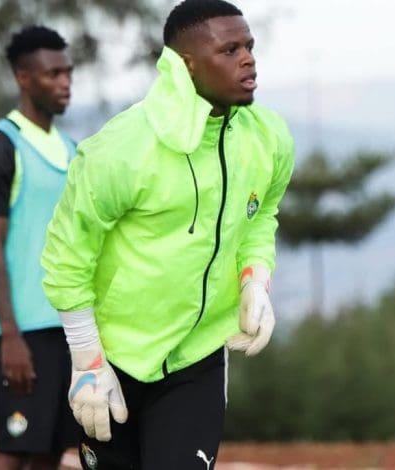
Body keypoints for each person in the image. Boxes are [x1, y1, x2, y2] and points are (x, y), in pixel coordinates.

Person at [40, 0, 295, 468]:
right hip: (112, 358)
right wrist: (87, 359)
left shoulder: (270, 137)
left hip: (196, 358)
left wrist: (255, 278)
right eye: (229, 49)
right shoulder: (120, 150)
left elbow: (260, 214)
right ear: (184, 65)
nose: (248, 59)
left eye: (249, 46)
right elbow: (67, 258)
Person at [0, 25, 80, 470]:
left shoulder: (71, 150)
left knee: (51, 449)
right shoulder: (1, 147)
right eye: (53, 74)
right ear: (23, 78)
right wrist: (10, 336)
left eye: (68, 72)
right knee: (15, 448)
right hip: (23, 331)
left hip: (70, 323)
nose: (65, 83)